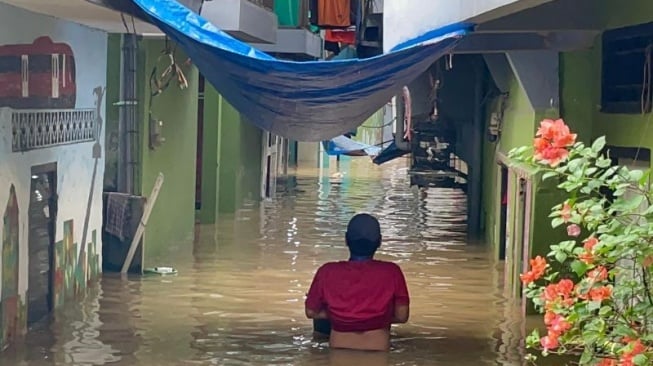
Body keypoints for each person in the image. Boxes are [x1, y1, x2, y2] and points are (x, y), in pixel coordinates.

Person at [305, 213, 410, 351]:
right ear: (379, 241)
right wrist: (374, 317)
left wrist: (338, 315)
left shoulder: (327, 272)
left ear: (346, 240)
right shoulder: (392, 272)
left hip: (339, 349)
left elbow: (311, 312)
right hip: (378, 350)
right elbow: (402, 316)